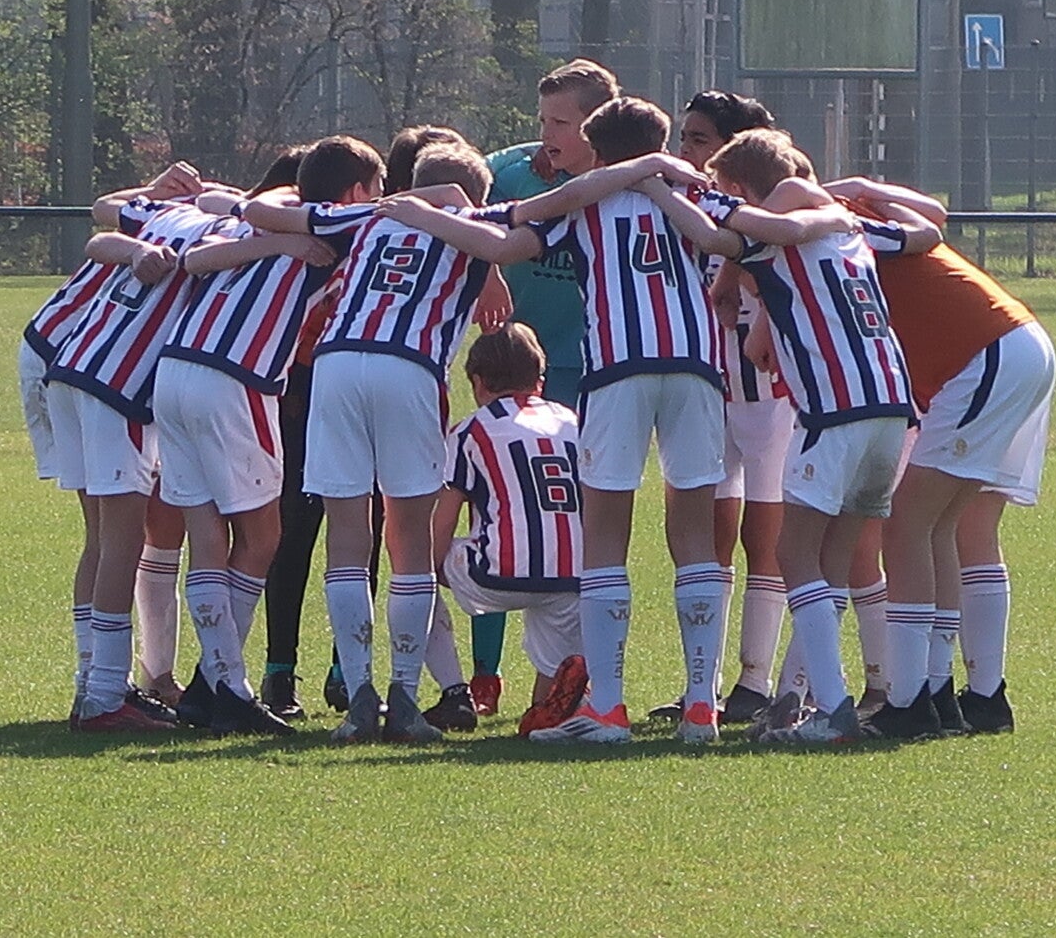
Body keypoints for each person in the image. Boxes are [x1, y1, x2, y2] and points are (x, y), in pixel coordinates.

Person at [378, 99, 763, 745]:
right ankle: (703, 706)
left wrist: (422, 213)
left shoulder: (582, 204)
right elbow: (739, 240)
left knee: (605, 536)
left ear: (598, 150)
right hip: (697, 368)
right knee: (696, 535)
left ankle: (607, 708)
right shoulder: (691, 194)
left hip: (616, 369)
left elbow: (502, 240)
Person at [224, 137, 497, 743]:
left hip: (336, 365)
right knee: (409, 539)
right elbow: (509, 239)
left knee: (347, 536)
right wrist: (488, 259)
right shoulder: (474, 222)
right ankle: (404, 694)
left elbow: (261, 210)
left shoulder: (368, 216)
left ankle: (358, 697)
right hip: (410, 366)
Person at [674, 131, 936, 746]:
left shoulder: (774, 234)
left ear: (740, 189)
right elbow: (925, 233)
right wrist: (858, 194)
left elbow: (721, 236)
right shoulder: (849, 229)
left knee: (794, 554)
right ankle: (802, 699)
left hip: (836, 409)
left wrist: (670, 190)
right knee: (832, 559)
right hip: (891, 407)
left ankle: (834, 709)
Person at [820, 178, 1053, 739]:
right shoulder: (837, 211)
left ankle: (911, 702)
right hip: (1006, 347)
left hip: (988, 355)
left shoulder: (829, 222)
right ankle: (950, 694)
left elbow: (926, 226)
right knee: (942, 525)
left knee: (907, 523)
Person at [150, 155, 350, 737]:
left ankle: (207, 688)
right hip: (237, 377)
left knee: (208, 536)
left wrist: (264, 233)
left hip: (176, 371)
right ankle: (228, 686)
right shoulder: (331, 225)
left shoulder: (255, 217)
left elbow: (196, 258)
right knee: (262, 536)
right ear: (353, 192)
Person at [42, 174, 238, 731]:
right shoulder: (227, 228)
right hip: (118, 385)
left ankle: (92, 681)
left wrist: (136, 250)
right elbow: (106, 242)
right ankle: (106, 695)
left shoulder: (168, 215)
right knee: (123, 540)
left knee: (101, 539)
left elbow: (100, 236)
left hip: (71, 371)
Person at [469, 59, 620, 715]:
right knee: (495, 506)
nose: (547, 134)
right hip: (512, 365)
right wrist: (486, 269)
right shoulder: (509, 171)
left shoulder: (621, 180)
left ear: (597, 126)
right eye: (543, 119)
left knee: (568, 522)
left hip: (587, 367)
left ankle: (564, 679)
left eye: (561, 122)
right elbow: (458, 207)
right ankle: (483, 675)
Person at [644, 90, 793, 727]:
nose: (686, 150)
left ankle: (756, 681)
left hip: (767, 387)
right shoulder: (687, 199)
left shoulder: (765, 201)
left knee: (769, 534)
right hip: (704, 384)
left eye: (700, 139)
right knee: (706, 533)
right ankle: (701, 684)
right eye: (684, 137)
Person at [427, 324, 592, 738]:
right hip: (571, 572)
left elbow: (444, 518)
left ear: (478, 382)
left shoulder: (472, 429)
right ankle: (547, 706)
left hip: (495, 572)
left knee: (412, 575)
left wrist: (428, 569)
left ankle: (454, 693)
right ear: (540, 378)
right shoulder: (571, 422)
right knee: (555, 661)